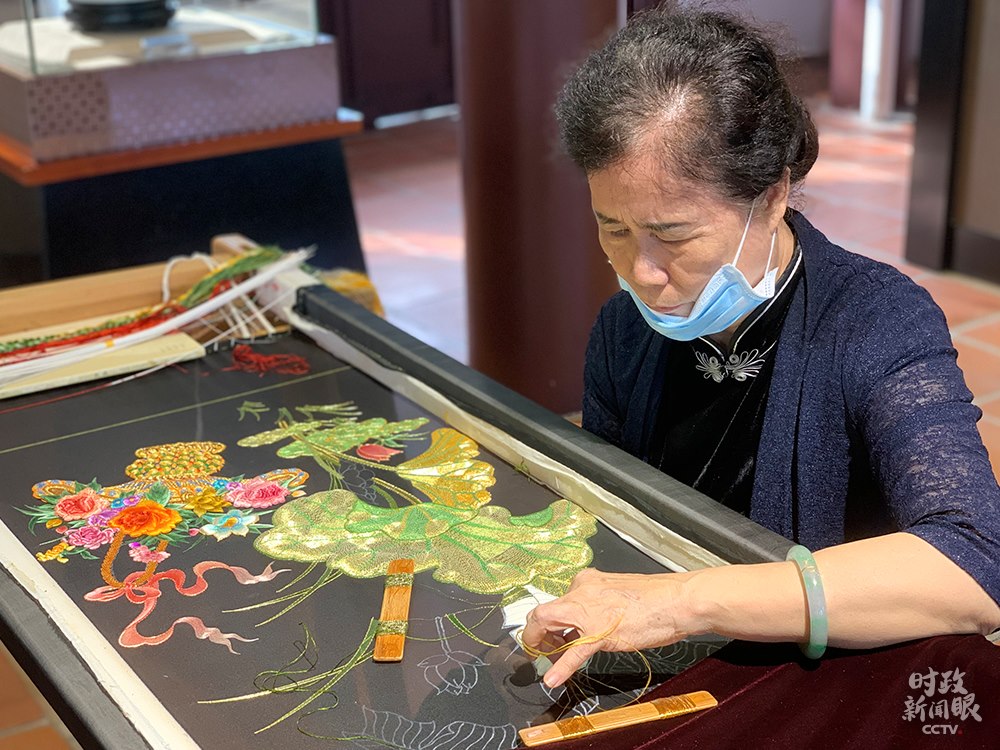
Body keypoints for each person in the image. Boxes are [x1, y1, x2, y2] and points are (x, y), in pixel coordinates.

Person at [521, 7, 1000, 689]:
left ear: (772, 197)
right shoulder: (623, 330)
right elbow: (613, 514)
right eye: (614, 229)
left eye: (674, 234)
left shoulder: (874, 320)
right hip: (672, 663)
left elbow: (973, 561)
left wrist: (687, 603)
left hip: (821, 675)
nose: (643, 273)